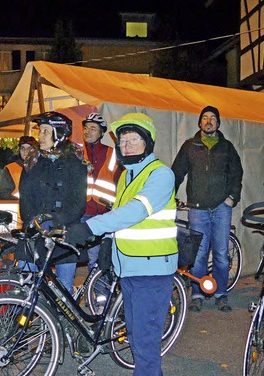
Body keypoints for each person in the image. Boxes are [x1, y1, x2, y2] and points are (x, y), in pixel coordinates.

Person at [65, 112, 178, 376]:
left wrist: (90, 228)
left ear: (147, 143)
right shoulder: (127, 175)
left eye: (133, 140)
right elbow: (119, 217)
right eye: (123, 141)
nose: (126, 145)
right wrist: (108, 245)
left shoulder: (161, 175)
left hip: (152, 270)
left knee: (145, 341)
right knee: (137, 337)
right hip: (129, 265)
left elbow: (135, 212)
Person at [171, 105, 243, 313]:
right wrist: (171, 197)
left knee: (221, 253)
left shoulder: (227, 147)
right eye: (205, 118)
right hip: (198, 208)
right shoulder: (189, 146)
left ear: (218, 124)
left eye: (213, 118)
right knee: (199, 254)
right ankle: (197, 294)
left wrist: (232, 197)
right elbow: (177, 173)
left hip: (221, 207)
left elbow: (236, 174)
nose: (209, 121)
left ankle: (221, 294)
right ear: (200, 123)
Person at [18, 111, 87, 293]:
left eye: (46, 131)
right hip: (35, 230)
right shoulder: (32, 161)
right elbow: (25, 198)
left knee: (63, 288)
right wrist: (33, 222)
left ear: (59, 133)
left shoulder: (76, 162)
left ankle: (64, 320)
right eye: (40, 131)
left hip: (64, 231)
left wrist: (57, 220)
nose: (40, 136)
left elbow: (78, 201)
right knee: (26, 282)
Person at [81, 112, 121, 270]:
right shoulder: (77, 152)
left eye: (93, 128)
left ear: (102, 133)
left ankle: (102, 293)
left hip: (106, 212)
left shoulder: (112, 153)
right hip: (84, 212)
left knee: (105, 257)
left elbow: (119, 181)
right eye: (86, 128)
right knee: (92, 259)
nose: (88, 131)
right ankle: (96, 294)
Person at [0, 136, 36, 200]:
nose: (25, 151)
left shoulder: (42, 167)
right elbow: (3, 193)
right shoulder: (10, 169)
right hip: (16, 206)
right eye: (22, 148)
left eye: (29, 148)